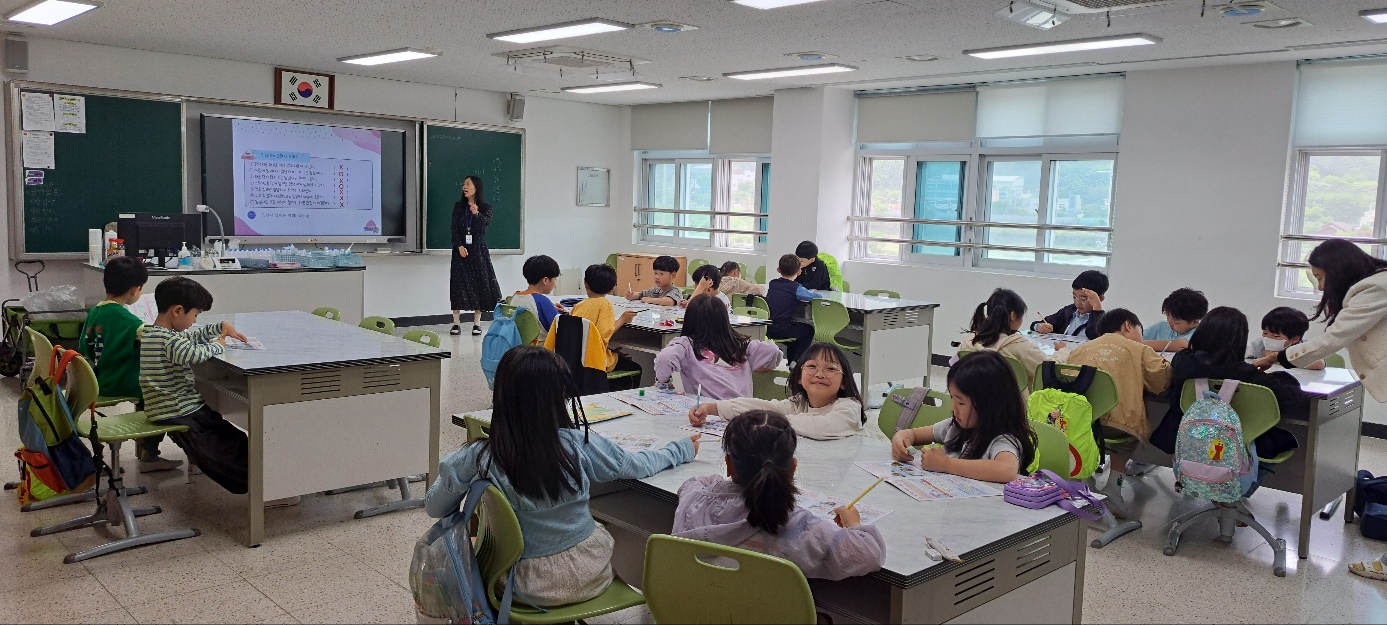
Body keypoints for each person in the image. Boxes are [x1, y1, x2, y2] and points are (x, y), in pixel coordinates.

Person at [425, 347, 699, 606]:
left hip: (518, 584)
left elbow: (434, 507)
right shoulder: (576, 443)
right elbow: (635, 465)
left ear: (501, 394)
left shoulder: (477, 456)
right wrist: (680, 449)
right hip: (589, 574)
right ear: (558, 396)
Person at [1244, 241, 1387, 582]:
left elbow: (1333, 339)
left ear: (1339, 270)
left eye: (1321, 277)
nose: (1320, 287)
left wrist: (1277, 357)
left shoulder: (1376, 288)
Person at [672, 410, 886, 581]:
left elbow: (694, 483)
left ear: (729, 464)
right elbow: (868, 554)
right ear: (793, 468)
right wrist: (854, 524)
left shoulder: (693, 500)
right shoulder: (800, 528)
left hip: (694, 612)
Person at [139, 277, 298, 506]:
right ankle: (264, 489)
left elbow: (189, 338)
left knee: (227, 434)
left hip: (167, 407)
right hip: (180, 410)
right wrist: (218, 345)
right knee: (229, 444)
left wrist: (220, 327)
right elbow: (193, 353)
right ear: (178, 311)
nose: (195, 321)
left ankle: (263, 481)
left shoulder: (153, 333)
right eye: (195, 315)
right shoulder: (169, 341)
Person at [1150, 307, 1303, 473]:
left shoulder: (1182, 361)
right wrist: (1280, 376)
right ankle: (1244, 483)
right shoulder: (1243, 372)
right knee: (1284, 440)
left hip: (1186, 435)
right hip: (1233, 441)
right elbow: (1291, 398)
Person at [1062, 309, 1172, 517]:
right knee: (1126, 432)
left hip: (1080, 424)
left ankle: (1085, 480)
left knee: (1090, 431)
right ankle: (1114, 486)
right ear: (1128, 325)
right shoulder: (1139, 350)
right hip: (1118, 426)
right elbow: (1161, 382)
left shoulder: (1080, 349)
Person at [79, 258, 180, 473]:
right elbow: (157, 337)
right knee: (160, 393)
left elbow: (83, 346)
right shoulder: (124, 318)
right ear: (135, 290)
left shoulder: (96, 311)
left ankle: (148, 450)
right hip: (118, 380)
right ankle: (150, 454)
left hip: (100, 377)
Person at [890, 351, 1036, 483]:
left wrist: (946, 464)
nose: (953, 408)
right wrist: (900, 441)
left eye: (961, 402)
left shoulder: (1003, 440)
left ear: (989, 405)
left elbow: (1006, 470)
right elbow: (911, 434)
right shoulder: (955, 427)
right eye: (952, 398)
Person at [689, 342, 865, 440]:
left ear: (844, 382)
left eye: (831, 369)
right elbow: (762, 407)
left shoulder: (849, 408)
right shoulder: (799, 402)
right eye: (812, 366)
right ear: (799, 376)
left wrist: (773, 420)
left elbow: (821, 427)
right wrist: (713, 408)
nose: (820, 374)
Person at [654, 295, 782, 399]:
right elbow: (773, 351)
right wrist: (757, 365)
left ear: (689, 320)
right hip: (741, 412)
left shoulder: (687, 345)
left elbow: (664, 358)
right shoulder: (740, 345)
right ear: (725, 320)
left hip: (708, 412)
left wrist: (664, 383)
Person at [958, 288, 1067, 390]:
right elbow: (1050, 369)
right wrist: (1063, 351)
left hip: (974, 399)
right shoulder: (1021, 347)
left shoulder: (969, 341)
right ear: (1013, 315)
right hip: (1013, 402)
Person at [555, 264, 642, 389]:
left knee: (618, 356)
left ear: (585, 284)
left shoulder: (578, 305)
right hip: (596, 362)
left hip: (575, 359)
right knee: (635, 368)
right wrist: (623, 319)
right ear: (612, 289)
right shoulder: (605, 305)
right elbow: (602, 336)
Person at [450, 175, 503, 336]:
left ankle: (477, 323)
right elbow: (453, 229)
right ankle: (456, 323)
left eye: (468, 184)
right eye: (464, 184)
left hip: (478, 250)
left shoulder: (486, 208)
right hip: (460, 251)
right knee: (458, 284)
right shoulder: (458, 207)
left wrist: (476, 214)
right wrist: (459, 245)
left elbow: (482, 228)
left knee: (479, 284)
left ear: (476, 187)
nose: (464, 187)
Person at [767, 253, 822, 364]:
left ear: (778, 269)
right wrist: (813, 292)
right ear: (799, 272)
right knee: (808, 330)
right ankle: (797, 361)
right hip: (783, 328)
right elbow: (816, 297)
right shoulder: (796, 288)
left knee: (795, 339)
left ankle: (792, 363)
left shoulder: (773, 284)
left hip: (768, 327)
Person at [1031, 270, 1109, 340]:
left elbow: (1094, 336)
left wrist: (1097, 308)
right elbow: (1039, 323)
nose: (1077, 303)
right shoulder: (1068, 311)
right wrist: (1039, 327)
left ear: (1100, 298)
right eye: (1074, 297)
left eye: (1083, 299)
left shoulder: (1103, 320)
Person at [510, 255, 565, 345]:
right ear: (545, 280)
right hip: (540, 350)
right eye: (554, 279)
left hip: (519, 348)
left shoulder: (516, 297)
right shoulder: (542, 301)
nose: (555, 284)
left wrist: (551, 308)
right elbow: (560, 329)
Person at [1246, 307, 1324, 370]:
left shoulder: (1301, 347)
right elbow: (1241, 352)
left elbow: (1319, 363)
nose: (1267, 338)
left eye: (1275, 336)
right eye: (1265, 333)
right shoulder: (1259, 344)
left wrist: (1277, 359)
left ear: (1294, 339)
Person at [1141, 288, 1207, 353]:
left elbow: (1181, 345)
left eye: (1176, 323)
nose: (1170, 323)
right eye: (1167, 316)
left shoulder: (1200, 333)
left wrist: (1139, 343)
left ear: (1195, 322)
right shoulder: (1162, 325)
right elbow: (1139, 336)